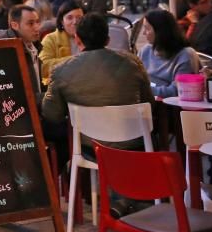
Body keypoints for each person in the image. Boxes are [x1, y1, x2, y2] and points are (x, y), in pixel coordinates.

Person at [42, 12, 155, 143]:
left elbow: (52, 115)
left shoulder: (61, 70)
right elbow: (149, 103)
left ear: (77, 39)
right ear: (108, 40)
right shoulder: (133, 63)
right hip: (135, 144)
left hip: (89, 147)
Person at [139, 10, 199, 97]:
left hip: (170, 106)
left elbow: (177, 91)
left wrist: (145, 91)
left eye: (147, 28)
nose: (144, 33)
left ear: (160, 32)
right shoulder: (145, 51)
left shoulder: (185, 56)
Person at [0, 5, 43, 96]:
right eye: (30, 23)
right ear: (15, 25)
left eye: (37, 22)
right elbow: (18, 95)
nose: (37, 27)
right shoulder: (6, 51)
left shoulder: (33, 44)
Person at [39, 1, 84, 86]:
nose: (75, 22)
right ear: (62, 21)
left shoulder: (90, 37)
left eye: (79, 18)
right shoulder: (51, 39)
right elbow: (43, 67)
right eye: (70, 18)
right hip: (59, 88)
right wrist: (75, 60)